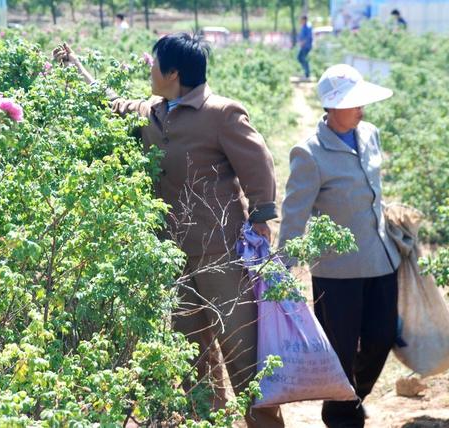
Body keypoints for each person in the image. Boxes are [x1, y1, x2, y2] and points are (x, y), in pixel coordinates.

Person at [53, 33, 284, 427]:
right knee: (191, 358)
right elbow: (108, 103)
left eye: (154, 63)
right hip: (173, 256)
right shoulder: (153, 112)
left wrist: (261, 216)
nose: (149, 69)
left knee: (243, 359)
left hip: (222, 255)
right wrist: (74, 68)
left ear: (173, 72)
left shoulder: (221, 113)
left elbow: (257, 162)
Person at [278, 64, 401, 428]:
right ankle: (340, 415)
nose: (362, 109)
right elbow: (294, 214)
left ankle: (353, 396)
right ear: (331, 108)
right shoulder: (310, 153)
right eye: (354, 103)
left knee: (381, 338)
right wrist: (282, 269)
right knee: (341, 349)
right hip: (338, 272)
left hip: (381, 260)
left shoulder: (371, 134)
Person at [297, 16, 313, 80]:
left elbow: (309, 37)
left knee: (303, 58)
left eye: (302, 20)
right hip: (303, 46)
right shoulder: (303, 26)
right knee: (300, 58)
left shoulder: (308, 27)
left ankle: (307, 74)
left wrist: (303, 42)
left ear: (305, 20)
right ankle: (306, 73)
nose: (301, 21)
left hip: (306, 46)